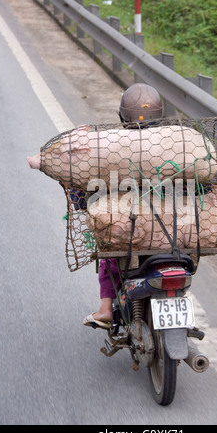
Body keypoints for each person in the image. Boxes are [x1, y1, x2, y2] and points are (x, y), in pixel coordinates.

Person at [83, 83, 163, 328]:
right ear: (160, 117)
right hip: (170, 230)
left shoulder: (113, 146)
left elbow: (93, 181)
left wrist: (82, 199)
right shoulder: (173, 144)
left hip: (132, 226)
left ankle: (106, 308)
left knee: (110, 252)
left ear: (122, 117)